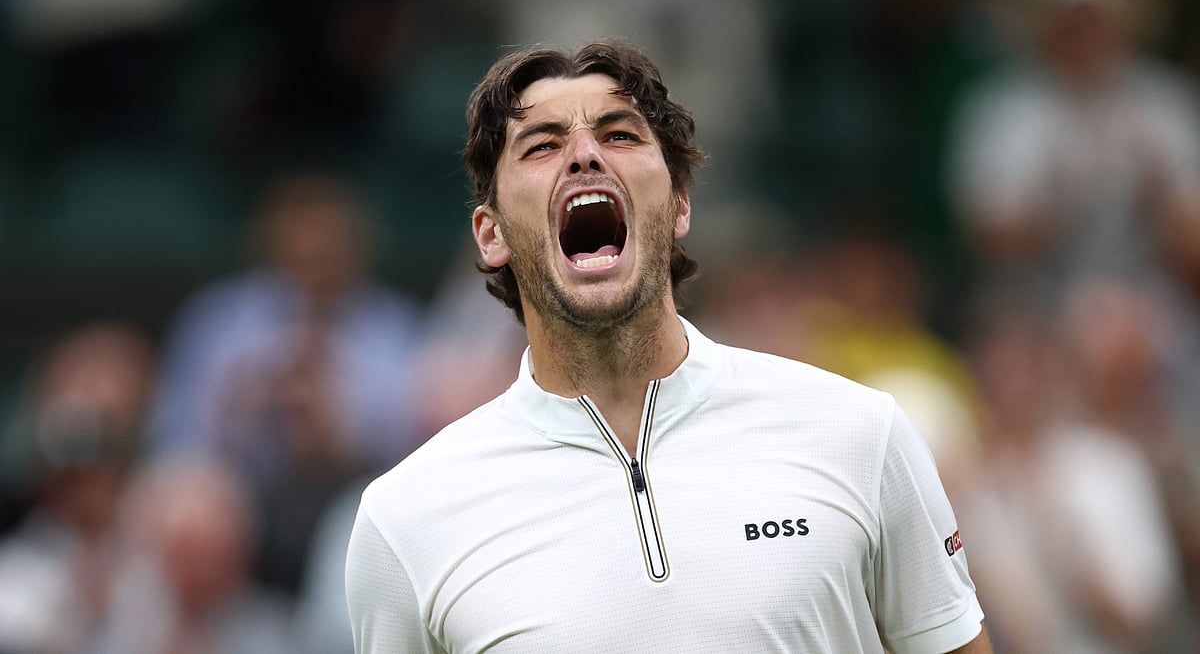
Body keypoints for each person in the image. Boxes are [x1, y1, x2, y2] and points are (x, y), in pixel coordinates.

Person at [345, 40, 991, 653]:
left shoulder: (862, 433)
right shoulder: (406, 519)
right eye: (541, 145)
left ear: (679, 204)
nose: (584, 155)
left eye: (619, 134)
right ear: (490, 235)